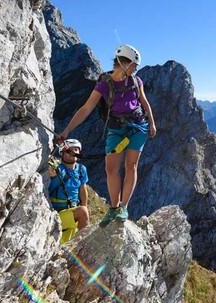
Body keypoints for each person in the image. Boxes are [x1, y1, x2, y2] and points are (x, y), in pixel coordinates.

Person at [60, 44, 156, 227]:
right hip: (116, 129)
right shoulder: (104, 84)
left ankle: (123, 207)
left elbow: (144, 102)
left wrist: (151, 123)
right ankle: (113, 208)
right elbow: (86, 108)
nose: (136, 69)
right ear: (124, 63)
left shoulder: (136, 81)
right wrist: (67, 130)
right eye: (134, 65)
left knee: (131, 165)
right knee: (111, 168)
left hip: (138, 127)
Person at [48, 139, 89, 243]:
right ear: (63, 153)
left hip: (72, 214)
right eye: (69, 150)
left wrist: (85, 208)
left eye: (76, 150)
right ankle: (83, 245)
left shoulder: (81, 170)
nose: (73, 152)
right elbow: (51, 169)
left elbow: (83, 189)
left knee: (64, 245)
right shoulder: (58, 169)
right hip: (57, 215)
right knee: (83, 212)